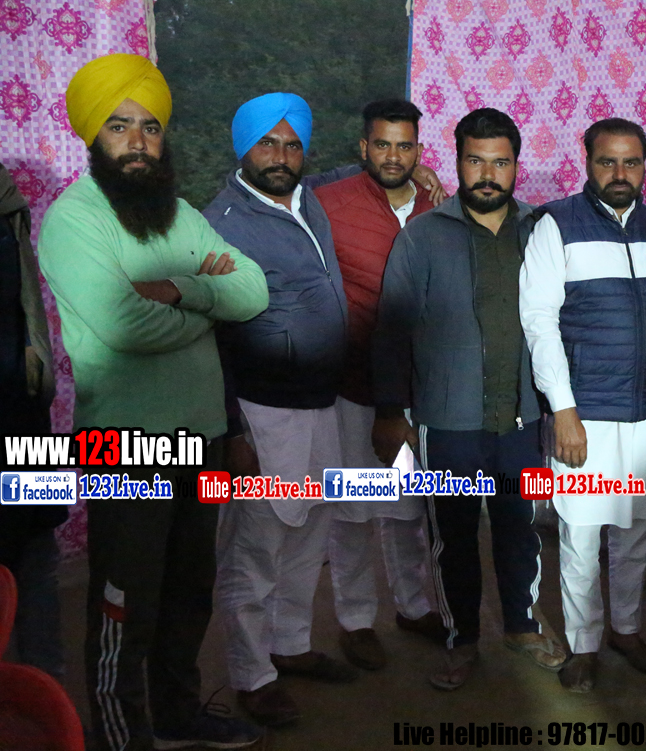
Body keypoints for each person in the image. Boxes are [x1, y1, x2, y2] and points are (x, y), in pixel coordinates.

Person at [39, 53, 267, 750]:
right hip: (123, 442)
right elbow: (124, 327)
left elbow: (252, 291)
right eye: (119, 126)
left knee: (189, 590)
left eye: (150, 127)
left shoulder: (182, 214)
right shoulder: (73, 219)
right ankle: (120, 735)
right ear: (93, 136)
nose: (137, 141)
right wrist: (208, 304)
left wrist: (177, 291)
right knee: (123, 597)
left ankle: (177, 714)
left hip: (201, 435)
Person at [372, 107, 566, 691]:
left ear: (515, 165)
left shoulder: (539, 229)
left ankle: (522, 627)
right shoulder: (423, 236)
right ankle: (461, 640)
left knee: (519, 529)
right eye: (476, 161)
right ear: (457, 163)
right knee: (453, 537)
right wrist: (390, 412)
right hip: (446, 419)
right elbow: (391, 329)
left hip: (520, 417)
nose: (488, 174)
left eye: (500, 162)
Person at [205, 92, 357, 727]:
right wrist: (233, 429)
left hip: (322, 403)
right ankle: (251, 674)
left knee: (310, 531)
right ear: (244, 147)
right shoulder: (221, 223)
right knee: (256, 548)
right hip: (263, 411)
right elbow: (210, 336)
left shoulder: (307, 198)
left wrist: (408, 169)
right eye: (267, 143)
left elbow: (337, 174)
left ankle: (290, 645)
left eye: (292, 145)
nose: (281, 156)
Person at [520, 117, 646, 692]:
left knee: (636, 531)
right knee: (580, 533)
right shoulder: (556, 224)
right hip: (583, 414)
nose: (619, 173)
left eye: (631, 162)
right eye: (608, 161)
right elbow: (539, 321)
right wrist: (563, 410)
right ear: (588, 162)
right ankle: (584, 643)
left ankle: (626, 630)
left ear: (645, 166)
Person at [316, 97, 445, 671]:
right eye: (383, 145)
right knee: (352, 511)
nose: (394, 156)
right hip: (350, 386)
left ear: (419, 150)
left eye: (405, 146)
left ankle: (413, 607)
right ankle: (356, 620)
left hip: (419, 392)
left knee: (406, 510)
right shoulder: (328, 202)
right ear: (363, 147)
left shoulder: (438, 207)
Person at [0, 162, 65, 681]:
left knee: (38, 551)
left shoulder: (5, 198)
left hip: (21, 409)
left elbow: (25, 309)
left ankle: (47, 694)